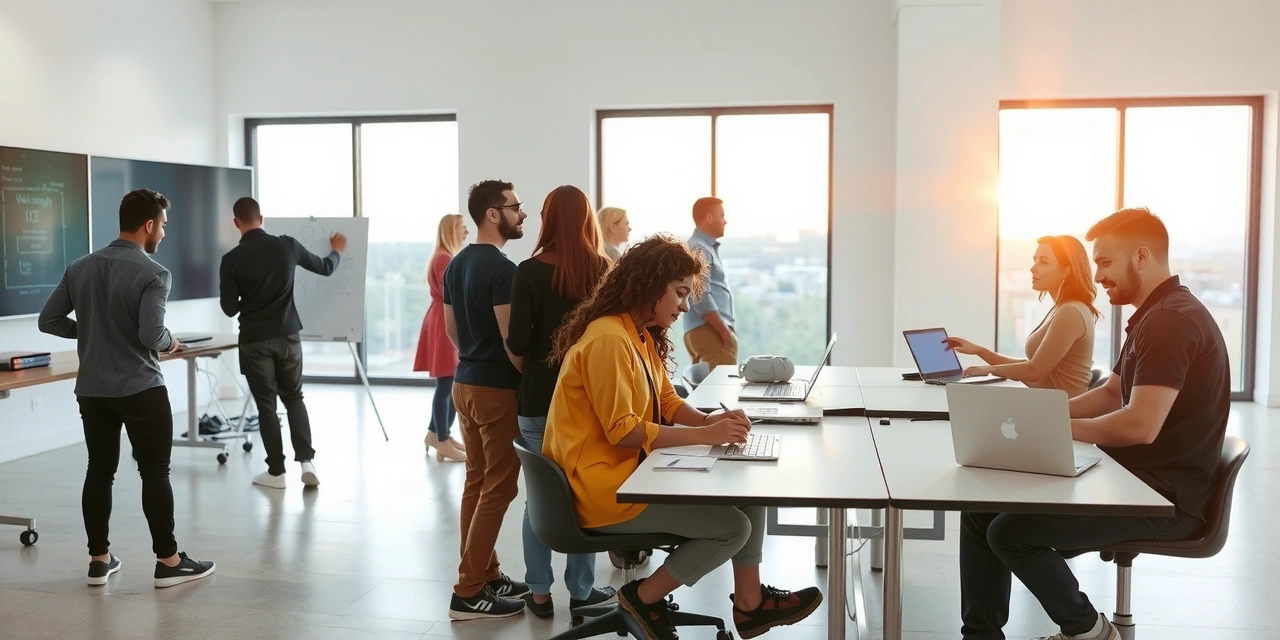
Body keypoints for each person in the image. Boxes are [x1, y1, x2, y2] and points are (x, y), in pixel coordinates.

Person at [959, 208, 1231, 640]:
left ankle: (1089, 631)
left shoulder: (1169, 322)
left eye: (1105, 262)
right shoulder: (1151, 316)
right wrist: (1040, 417)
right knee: (978, 511)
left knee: (1010, 533)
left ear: (1141, 257)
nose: (1098, 274)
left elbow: (1140, 426)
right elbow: (1109, 394)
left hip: (1163, 500)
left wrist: (1050, 430)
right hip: (1134, 480)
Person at [544, 235, 823, 640]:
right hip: (604, 490)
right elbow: (623, 432)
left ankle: (751, 605)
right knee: (732, 528)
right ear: (647, 285)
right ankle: (643, 597)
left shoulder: (636, 333)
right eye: (679, 293)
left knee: (750, 491)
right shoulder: (609, 340)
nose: (686, 306)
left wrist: (714, 422)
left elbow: (668, 401)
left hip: (631, 474)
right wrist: (705, 433)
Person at [39, 188, 216, 588]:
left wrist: (92, 333)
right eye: (164, 226)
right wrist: (171, 343)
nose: (164, 234)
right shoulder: (154, 272)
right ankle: (169, 562)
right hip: (140, 389)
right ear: (149, 225)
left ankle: (99, 561)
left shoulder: (80, 266)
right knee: (155, 472)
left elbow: (48, 321)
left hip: (93, 390)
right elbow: (152, 333)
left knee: (99, 471)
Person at [506, 185, 615, 618]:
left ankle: (538, 592)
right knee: (581, 495)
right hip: (588, 403)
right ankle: (583, 592)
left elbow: (517, 341)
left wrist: (535, 366)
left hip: (536, 400)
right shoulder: (604, 269)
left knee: (539, 498)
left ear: (548, 220)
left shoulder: (527, 272)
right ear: (587, 220)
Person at [444, 179, 530, 621]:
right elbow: (513, 341)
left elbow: (452, 332)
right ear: (493, 214)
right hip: (497, 391)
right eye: (516, 207)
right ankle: (468, 591)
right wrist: (530, 378)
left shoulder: (455, 265)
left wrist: (475, 359)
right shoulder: (503, 270)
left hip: (465, 384)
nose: (523, 214)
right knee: (498, 490)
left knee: (477, 484)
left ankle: (486, 573)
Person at [218, 197, 345, 489]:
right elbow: (326, 267)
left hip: (254, 340)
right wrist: (337, 251)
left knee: (266, 406)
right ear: (261, 218)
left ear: (236, 223)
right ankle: (307, 463)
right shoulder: (286, 245)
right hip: (288, 335)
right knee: (294, 397)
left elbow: (229, 308)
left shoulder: (231, 261)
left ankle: (276, 473)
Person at [944, 235, 1100, 398]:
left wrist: (989, 370)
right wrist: (979, 351)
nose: (1033, 268)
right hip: (1048, 406)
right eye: (1035, 260)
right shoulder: (1062, 308)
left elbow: (1034, 371)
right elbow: (1031, 366)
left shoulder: (1071, 312)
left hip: (1062, 414)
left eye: (1044, 262)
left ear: (1066, 270)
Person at [414, 213, 469, 462]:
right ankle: (442, 440)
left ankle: (436, 433)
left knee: (448, 383)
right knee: (448, 385)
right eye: (462, 228)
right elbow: (454, 296)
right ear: (451, 231)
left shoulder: (443, 257)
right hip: (444, 321)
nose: (466, 232)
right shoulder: (444, 259)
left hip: (440, 319)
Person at [684, 197, 737, 369]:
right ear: (709, 218)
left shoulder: (700, 247)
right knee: (720, 392)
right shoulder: (699, 248)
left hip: (707, 330)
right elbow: (699, 294)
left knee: (709, 391)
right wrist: (723, 329)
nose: (725, 221)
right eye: (721, 215)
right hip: (710, 331)